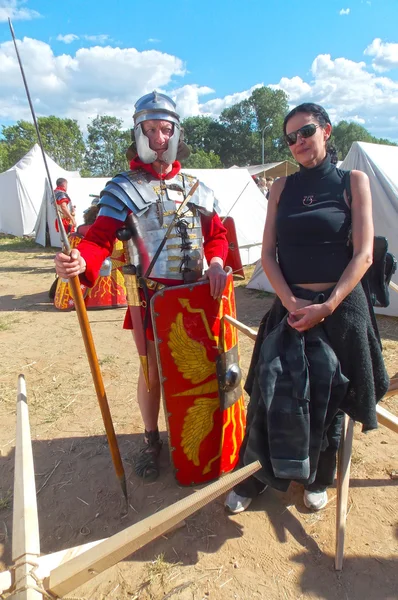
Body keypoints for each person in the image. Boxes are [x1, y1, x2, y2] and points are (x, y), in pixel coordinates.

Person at [54, 91, 228, 481]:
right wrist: (81, 260)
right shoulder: (122, 188)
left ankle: (197, 438)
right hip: (148, 296)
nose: (159, 138)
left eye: (165, 129)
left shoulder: (197, 187)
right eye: (150, 130)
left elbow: (217, 236)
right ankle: (152, 440)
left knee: (198, 369)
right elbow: (99, 238)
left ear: (176, 132)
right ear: (138, 134)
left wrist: (216, 260)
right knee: (152, 370)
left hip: (195, 295)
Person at [225, 102, 389, 513]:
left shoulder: (354, 181)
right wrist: (289, 300)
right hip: (290, 303)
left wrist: (328, 306)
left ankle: (318, 476)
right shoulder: (281, 188)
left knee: (331, 393)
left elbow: (365, 254)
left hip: (339, 308)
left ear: (327, 131)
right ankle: (256, 477)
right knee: (269, 388)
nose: (299, 142)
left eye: (307, 131)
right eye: (291, 137)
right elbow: (266, 254)